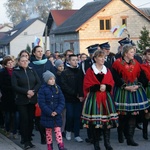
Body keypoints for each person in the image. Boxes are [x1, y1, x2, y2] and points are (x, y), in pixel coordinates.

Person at [112, 44, 149, 146]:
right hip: (123, 90)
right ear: (126, 53)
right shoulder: (117, 63)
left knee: (133, 114)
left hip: (134, 89)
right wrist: (125, 86)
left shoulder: (136, 63)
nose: (134, 54)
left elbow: (142, 76)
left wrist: (137, 85)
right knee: (123, 114)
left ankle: (130, 138)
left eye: (133, 52)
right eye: (132, 52)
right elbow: (115, 77)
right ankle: (121, 133)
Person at [81, 50, 118, 150]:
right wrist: (97, 87)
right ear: (95, 58)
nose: (103, 59)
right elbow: (87, 84)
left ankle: (107, 143)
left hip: (106, 98)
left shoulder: (107, 70)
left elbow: (111, 83)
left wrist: (106, 87)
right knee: (95, 123)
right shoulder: (90, 71)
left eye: (104, 57)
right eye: (101, 57)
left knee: (106, 123)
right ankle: (96, 144)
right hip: (94, 98)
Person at [12, 56, 41, 149]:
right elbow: (15, 86)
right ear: (19, 62)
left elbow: (38, 82)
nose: (24, 62)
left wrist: (33, 91)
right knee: (24, 120)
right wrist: (26, 92)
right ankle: (25, 140)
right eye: (22, 61)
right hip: (22, 100)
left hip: (32, 99)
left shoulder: (32, 70)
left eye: (26, 61)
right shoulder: (16, 72)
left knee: (30, 120)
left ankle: (29, 139)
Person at [29, 46, 55, 144]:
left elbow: (53, 75)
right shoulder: (31, 64)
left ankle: (48, 134)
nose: (40, 53)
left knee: (47, 114)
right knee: (39, 115)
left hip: (48, 90)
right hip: (37, 91)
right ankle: (42, 135)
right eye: (38, 51)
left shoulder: (47, 62)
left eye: (41, 51)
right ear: (34, 53)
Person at [38, 70, 67, 150]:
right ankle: (50, 147)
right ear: (46, 80)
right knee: (48, 132)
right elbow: (42, 103)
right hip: (47, 115)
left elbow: (62, 101)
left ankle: (61, 146)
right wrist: (50, 112)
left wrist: (57, 111)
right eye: (50, 79)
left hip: (56, 114)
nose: (52, 80)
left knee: (58, 131)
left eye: (53, 79)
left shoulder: (58, 88)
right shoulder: (42, 90)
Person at [61, 54, 83, 142]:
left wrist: (81, 95)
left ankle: (77, 134)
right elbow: (64, 85)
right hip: (69, 98)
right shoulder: (65, 72)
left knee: (77, 116)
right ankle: (68, 131)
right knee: (70, 115)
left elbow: (82, 84)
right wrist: (74, 93)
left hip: (78, 98)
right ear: (69, 61)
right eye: (73, 60)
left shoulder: (79, 71)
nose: (75, 62)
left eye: (76, 60)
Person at [0, 56, 19, 139]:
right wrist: (13, 87)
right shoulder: (2, 73)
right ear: (5, 65)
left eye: (12, 62)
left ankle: (15, 132)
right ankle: (7, 129)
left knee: (17, 116)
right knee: (7, 116)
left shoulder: (17, 71)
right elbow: (2, 85)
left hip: (16, 97)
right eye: (9, 63)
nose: (11, 64)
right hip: (7, 97)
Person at [140, 49, 150, 140]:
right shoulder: (142, 66)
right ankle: (145, 132)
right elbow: (141, 79)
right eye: (148, 54)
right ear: (145, 55)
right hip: (147, 90)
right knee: (147, 112)